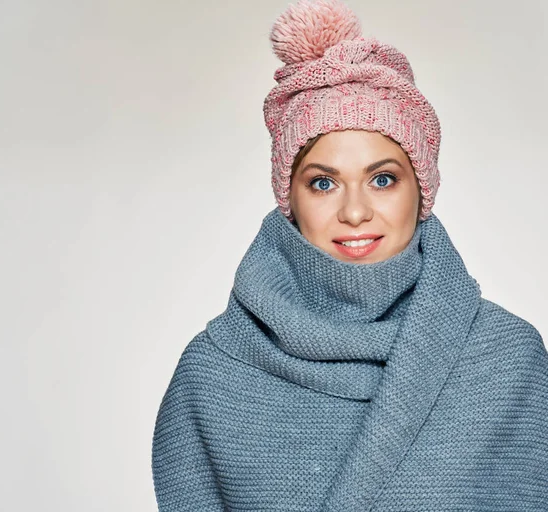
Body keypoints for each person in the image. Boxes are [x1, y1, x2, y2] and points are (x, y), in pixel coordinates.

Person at [151, 1, 548, 510]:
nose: (355, 212)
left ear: (421, 190)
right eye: (323, 183)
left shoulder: (507, 362)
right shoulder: (212, 376)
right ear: (289, 199)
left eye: (383, 179)